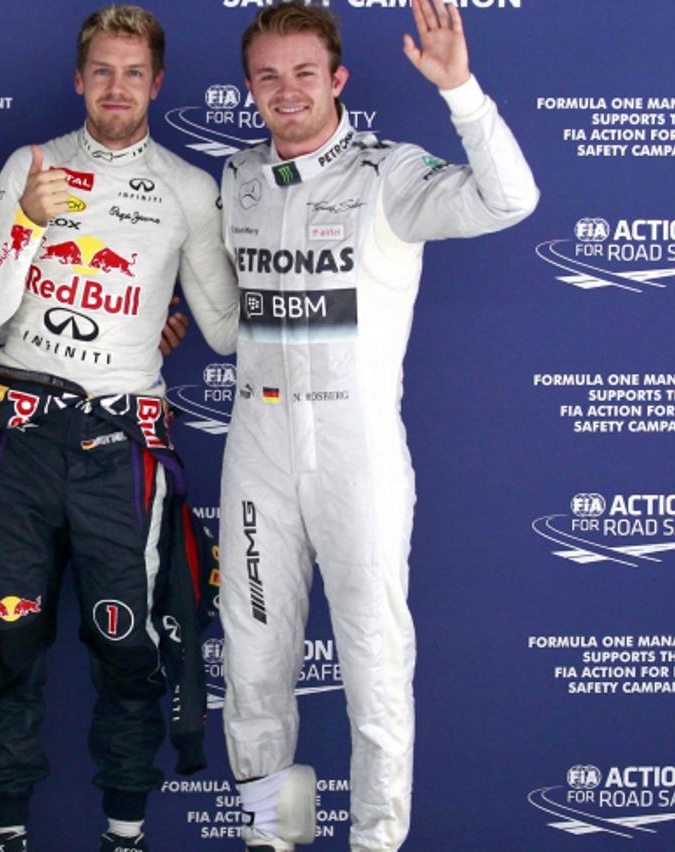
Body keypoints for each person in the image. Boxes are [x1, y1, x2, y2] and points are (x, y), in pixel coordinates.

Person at [216, 2, 538, 850]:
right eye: (269, 76)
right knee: (252, 668)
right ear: (249, 86)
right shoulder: (237, 177)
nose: (287, 93)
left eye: (304, 74)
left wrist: (460, 90)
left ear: (338, 80)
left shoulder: (388, 173)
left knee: (373, 663)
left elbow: (511, 198)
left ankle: (374, 843)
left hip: (355, 453)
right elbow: (231, 314)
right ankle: (270, 841)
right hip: (256, 450)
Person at [0, 6, 238, 852]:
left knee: (129, 646)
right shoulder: (29, 164)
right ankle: (5, 830)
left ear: (157, 82)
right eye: (103, 72)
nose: (118, 87)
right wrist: (27, 224)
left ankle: (125, 831)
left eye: (134, 72)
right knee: (7, 643)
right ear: (79, 79)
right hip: (23, 435)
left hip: (123, 447)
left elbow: (225, 330)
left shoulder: (189, 188)